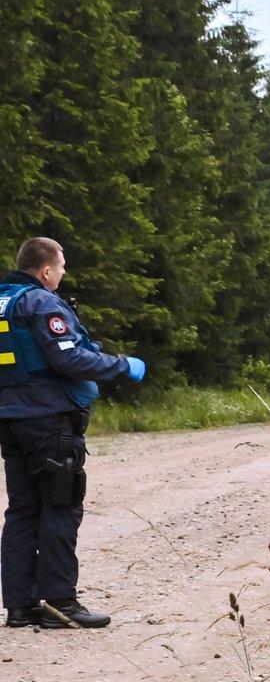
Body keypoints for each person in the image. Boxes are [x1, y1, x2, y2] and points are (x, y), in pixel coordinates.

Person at [0, 238, 144, 630]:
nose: (62, 275)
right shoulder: (42, 302)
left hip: (12, 420)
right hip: (50, 419)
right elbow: (68, 356)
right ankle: (60, 604)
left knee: (23, 510)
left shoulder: (4, 300)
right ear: (46, 270)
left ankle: (19, 606)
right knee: (60, 504)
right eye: (61, 267)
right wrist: (123, 365)